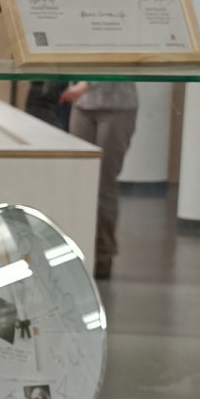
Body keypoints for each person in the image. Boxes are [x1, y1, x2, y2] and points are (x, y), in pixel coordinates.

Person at [60, 79, 138, 278]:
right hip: (82, 104)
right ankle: (79, 250)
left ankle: (103, 255)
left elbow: (122, 62)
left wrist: (87, 84)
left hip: (117, 104)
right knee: (79, 183)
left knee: (104, 184)